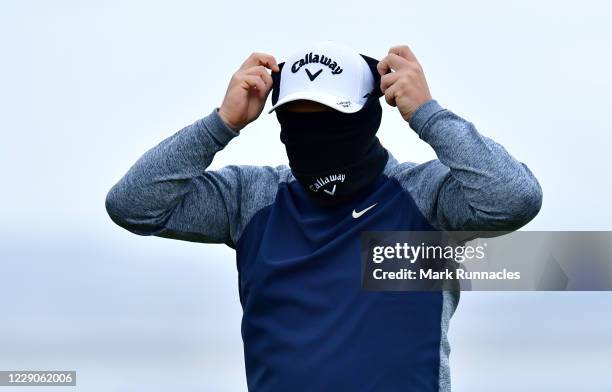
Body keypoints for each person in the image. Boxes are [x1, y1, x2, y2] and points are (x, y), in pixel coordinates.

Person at [105, 40, 543, 391]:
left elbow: (514, 197)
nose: (316, 139)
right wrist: (222, 123)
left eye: (333, 120)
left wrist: (427, 113)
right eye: (300, 123)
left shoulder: (424, 198)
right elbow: (133, 205)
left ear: (369, 117)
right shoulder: (251, 199)